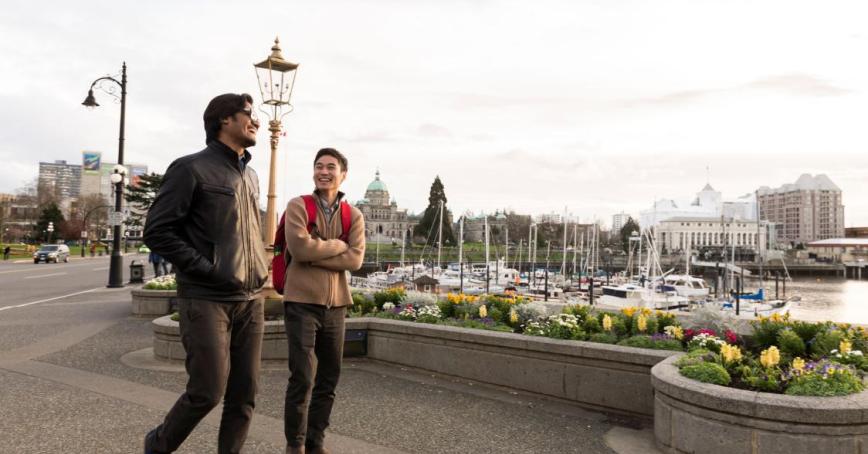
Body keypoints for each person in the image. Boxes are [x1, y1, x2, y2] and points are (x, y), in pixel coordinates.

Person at [142, 93, 268, 454]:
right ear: (224, 120)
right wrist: (208, 269)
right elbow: (158, 231)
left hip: (250, 299)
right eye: (248, 114)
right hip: (206, 297)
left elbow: (248, 233)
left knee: (245, 395)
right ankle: (157, 445)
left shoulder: (252, 175)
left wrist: (258, 271)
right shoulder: (190, 168)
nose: (255, 121)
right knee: (207, 392)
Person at [282, 148, 365, 454]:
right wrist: (335, 247)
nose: (324, 171)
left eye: (331, 167)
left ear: (343, 174)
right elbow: (299, 250)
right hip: (301, 301)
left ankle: (316, 442)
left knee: (329, 379)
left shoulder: (353, 214)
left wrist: (315, 255)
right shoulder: (298, 206)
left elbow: (355, 259)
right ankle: (296, 444)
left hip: (337, 305)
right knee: (302, 377)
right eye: (319, 166)